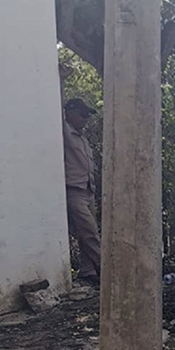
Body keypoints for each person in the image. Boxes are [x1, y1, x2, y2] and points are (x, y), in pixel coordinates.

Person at [62, 98, 101, 287]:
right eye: (82, 115)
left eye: (87, 116)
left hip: (88, 189)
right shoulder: (64, 132)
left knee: (88, 232)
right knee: (90, 232)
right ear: (70, 113)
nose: (85, 119)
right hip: (74, 189)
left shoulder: (82, 138)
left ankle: (88, 271)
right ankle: (105, 269)